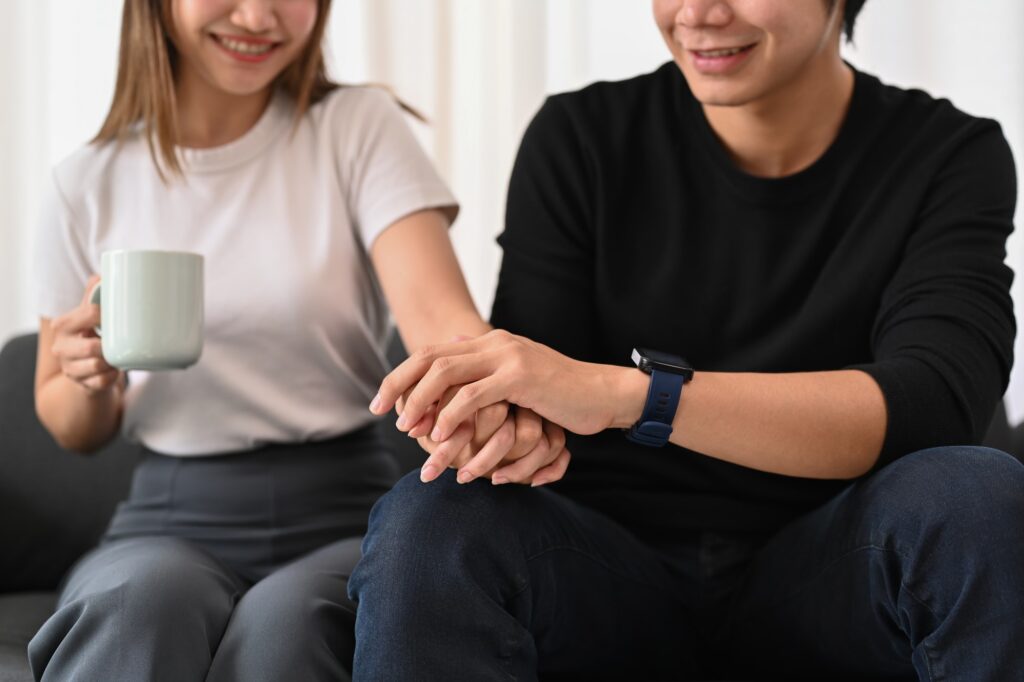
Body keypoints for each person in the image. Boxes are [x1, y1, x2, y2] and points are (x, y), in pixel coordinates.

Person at [352, 0, 1024, 679]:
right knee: (433, 519)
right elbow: (536, 403)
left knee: (976, 495)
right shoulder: (582, 136)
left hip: (837, 568)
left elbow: (933, 402)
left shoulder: (949, 155)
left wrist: (631, 396)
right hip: (603, 570)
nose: (698, 13)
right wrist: (507, 426)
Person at [25, 0, 568, 680]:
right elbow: (70, 422)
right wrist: (89, 376)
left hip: (342, 510)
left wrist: (496, 402)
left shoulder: (356, 127)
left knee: (288, 626)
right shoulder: (83, 183)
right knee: (136, 605)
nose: (258, 17)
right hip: (165, 518)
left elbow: (441, 321)